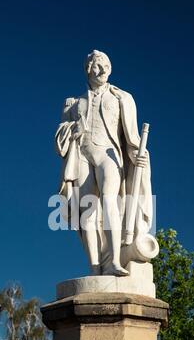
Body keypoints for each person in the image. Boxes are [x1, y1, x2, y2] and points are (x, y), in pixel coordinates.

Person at [55, 50, 152, 276]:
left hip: (109, 154)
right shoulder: (72, 104)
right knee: (88, 209)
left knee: (110, 202)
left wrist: (139, 154)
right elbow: (59, 136)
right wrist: (71, 130)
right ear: (89, 69)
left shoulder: (121, 98)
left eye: (106, 65)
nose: (103, 70)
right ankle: (95, 268)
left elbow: (131, 137)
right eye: (98, 65)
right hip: (82, 155)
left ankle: (115, 261)